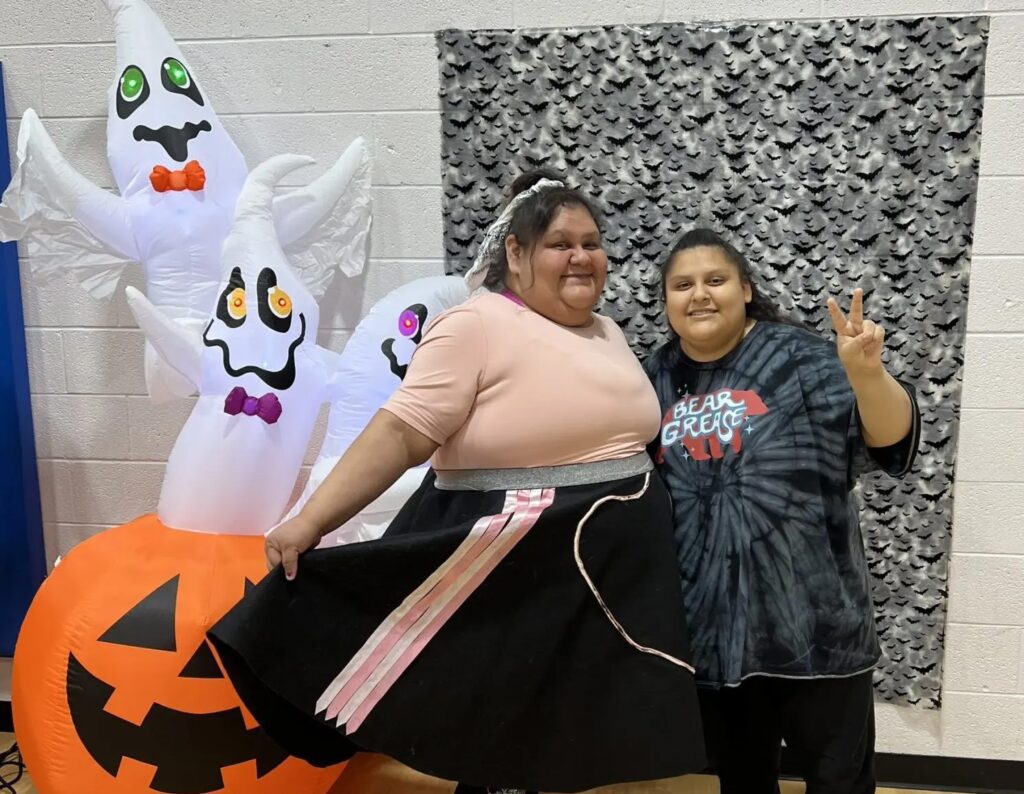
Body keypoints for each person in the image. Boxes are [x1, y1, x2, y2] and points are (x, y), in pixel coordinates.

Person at [208, 171, 706, 794]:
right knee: (503, 742)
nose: (582, 256)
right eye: (560, 243)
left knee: (565, 747)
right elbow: (400, 433)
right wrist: (313, 519)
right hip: (518, 569)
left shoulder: (608, 332)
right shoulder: (474, 325)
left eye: (593, 241)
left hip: (604, 577)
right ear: (516, 253)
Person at [645, 228, 921, 794]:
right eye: (682, 284)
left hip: (821, 632)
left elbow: (891, 444)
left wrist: (867, 374)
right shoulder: (648, 380)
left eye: (715, 280)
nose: (699, 294)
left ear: (745, 288)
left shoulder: (806, 359)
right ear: (667, 300)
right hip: (713, 640)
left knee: (839, 784)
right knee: (743, 784)